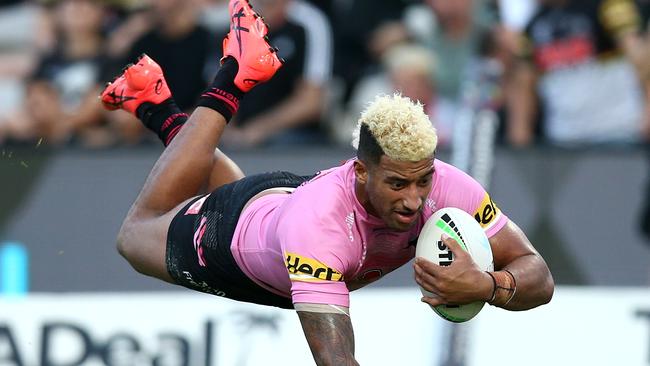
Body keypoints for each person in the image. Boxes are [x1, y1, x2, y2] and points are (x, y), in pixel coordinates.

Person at [100, 1, 554, 364]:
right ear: (361, 171)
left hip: (280, 209)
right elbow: (336, 360)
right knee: (133, 237)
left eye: (423, 182)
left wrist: (489, 286)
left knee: (253, 212)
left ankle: (154, 100)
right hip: (231, 239)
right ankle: (230, 81)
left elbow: (538, 275)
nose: (415, 201)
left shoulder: (452, 188)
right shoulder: (319, 230)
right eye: (397, 185)